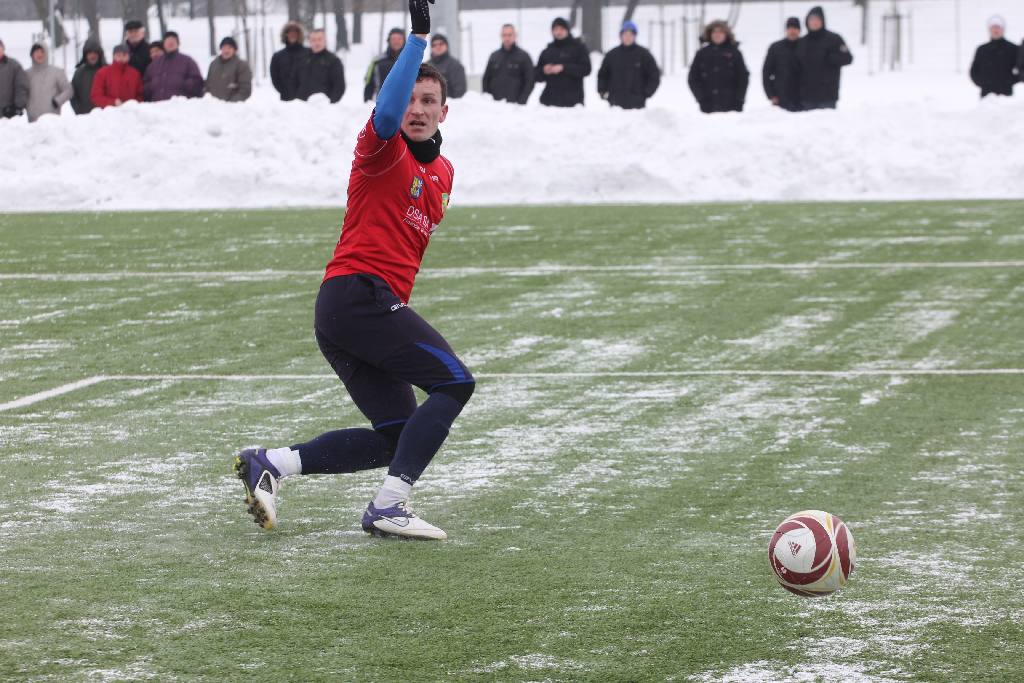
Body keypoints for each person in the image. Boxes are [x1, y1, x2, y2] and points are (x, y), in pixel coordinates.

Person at [235, 0, 474, 541]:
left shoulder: (443, 173)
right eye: (410, 96)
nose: (417, 108)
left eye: (428, 100)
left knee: (395, 435)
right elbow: (387, 114)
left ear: (444, 111)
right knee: (455, 382)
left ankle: (270, 462)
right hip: (355, 295)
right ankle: (389, 506)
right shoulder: (380, 146)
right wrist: (416, 41)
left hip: (355, 309)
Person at [795, 6, 853, 110]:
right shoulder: (802, 42)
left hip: (828, 96)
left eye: (817, 19)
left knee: (826, 126)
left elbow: (848, 58)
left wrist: (831, 58)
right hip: (806, 98)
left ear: (822, 20)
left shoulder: (834, 39)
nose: (814, 22)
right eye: (811, 19)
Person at [687, 20, 748, 114]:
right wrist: (701, 98)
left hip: (732, 106)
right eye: (714, 31)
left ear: (726, 34)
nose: (717, 34)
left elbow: (743, 78)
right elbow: (693, 78)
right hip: (708, 106)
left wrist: (739, 99)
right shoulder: (702, 53)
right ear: (709, 34)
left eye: (721, 31)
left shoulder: (735, 53)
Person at [597, 20, 660, 109]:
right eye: (625, 34)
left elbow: (654, 75)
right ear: (621, 36)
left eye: (631, 34)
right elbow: (603, 74)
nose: (628, 37)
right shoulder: (612, 55)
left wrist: (646, 93)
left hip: (637, 105)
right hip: (615, 104)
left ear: (635, 36)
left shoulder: (644, 54)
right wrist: (602, 90)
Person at [535, 17, 592, 107]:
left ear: (568, 30)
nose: (558, 32)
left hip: (573, 103)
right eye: (556, 29)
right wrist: (544, 70)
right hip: (549, 103)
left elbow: (586, 69)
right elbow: (536, 76)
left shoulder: (578, 48)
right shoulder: (547, 51)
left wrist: (564, 68)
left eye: (561, 29)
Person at [481, 23, 534, 105]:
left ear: (515, 36)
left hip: (516, 107)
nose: (507, 38)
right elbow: (486, 80)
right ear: (501, 36)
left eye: (510, 35)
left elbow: (530, 80)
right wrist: (488, 100)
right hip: (495, 107)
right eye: (504, 35)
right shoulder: (494, 56)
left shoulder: (524, 57)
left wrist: (522, 101)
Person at [144, 31, 204, 102]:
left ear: (178, 44)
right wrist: (150, 87)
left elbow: (197, 82)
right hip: (157, 106)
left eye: (173, 41)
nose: (170, 43)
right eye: (168, 41)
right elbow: (146, 84)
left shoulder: (188, 61)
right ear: (163, 44)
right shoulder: (154, 65)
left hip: (180, 106)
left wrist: (184, 85)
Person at [970, 16, 1018, 98]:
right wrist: (983, 83)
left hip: (1006, 94)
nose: (996, 30)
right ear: (989, 29)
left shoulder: (1013, 48)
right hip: (987, 96)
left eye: (998, 27)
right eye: (993, 27)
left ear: (1003, 29)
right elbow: (974, 71)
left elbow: (1021, 68)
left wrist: (1010, 81)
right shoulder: (982, 49)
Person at [26, 44, 72, 122]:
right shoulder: (27, 74)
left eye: (42, 52)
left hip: (52, 119)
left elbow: (68, 90)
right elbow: (21, 92)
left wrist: (57, 101)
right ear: (32, 55)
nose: (39, 54)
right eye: (36, 52)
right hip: (32, 120)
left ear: (46, 54)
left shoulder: (57, 72)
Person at [763, 17, 801, 111]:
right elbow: (766, 73)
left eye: (795, 28)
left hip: (802, 98)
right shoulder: (775, 48)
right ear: (786, 30)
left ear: (799, 30)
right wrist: (771, 95)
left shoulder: (805, 46)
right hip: (781, 98)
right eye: (790, 28)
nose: (792, 31)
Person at [297, 28, 345, 103]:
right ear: (310, 42)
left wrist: (330, 104)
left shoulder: (333, 61)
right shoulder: (302, 60)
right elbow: (294, 81)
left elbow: (339, 86)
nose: (317, 42)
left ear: (325, 41)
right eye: (313, 40)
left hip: (324, 108)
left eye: (319, 39)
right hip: (303, 107)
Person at [91, 44, 143, 108]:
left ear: (129, 56)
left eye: (124, 55)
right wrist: (113, 102)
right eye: (118, 55)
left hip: (131, 113)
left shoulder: (135, 74)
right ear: (113, 56)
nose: (121, 58)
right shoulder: (102, 73)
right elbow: (96, 95)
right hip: (110, 114)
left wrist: (133, 105)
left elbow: (140, 95)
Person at [364, 28, 405, 102]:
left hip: (407, 106)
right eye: (393, 39)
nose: (396, 41)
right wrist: (367, 102)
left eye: (399, 39)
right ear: (389, 40)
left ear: (404, 41)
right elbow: (369, 83)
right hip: (383, 104)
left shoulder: (411, 61)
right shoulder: (377, 61)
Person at [206, 36, 253, 102]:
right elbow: (207, 85)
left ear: (234, 50)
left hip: (232, 108)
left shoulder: (241, 65)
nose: (226, 50)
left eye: (229, 48)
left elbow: (245, 89)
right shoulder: (213, 64)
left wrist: (231, 104)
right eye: (224, 47)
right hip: (213, 107)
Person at [270, 21, 308, 101]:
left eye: (295, 32)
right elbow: (275, 78)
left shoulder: (309, 53)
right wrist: (284, 91)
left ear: (299, 35)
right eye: (289, 32)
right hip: (286, 99)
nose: (292, 35)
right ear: (285, 34)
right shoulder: (277, 56)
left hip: (306, 99)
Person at [71, 39, 106, 115]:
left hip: (104, 117)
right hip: (84, 117)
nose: (92, 56)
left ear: (99, 54)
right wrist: (78, 109)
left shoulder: (107, 71)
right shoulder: (79, 72)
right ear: (85, 54)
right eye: (89, 53)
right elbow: (73, 94)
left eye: (95, 52)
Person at [428, 34, 467, 98]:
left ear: (447, 46)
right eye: (434, 45)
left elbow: (460, 92)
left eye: (441, 44)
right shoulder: (426, 66)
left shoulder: (455, 66)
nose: (438, 47)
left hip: (449, 105)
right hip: (427, 104)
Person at [0, 38, 30, 119]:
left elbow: (21, 86)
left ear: (3, 48)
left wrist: (18, 106)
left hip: (7, 115)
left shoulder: (14, 66)